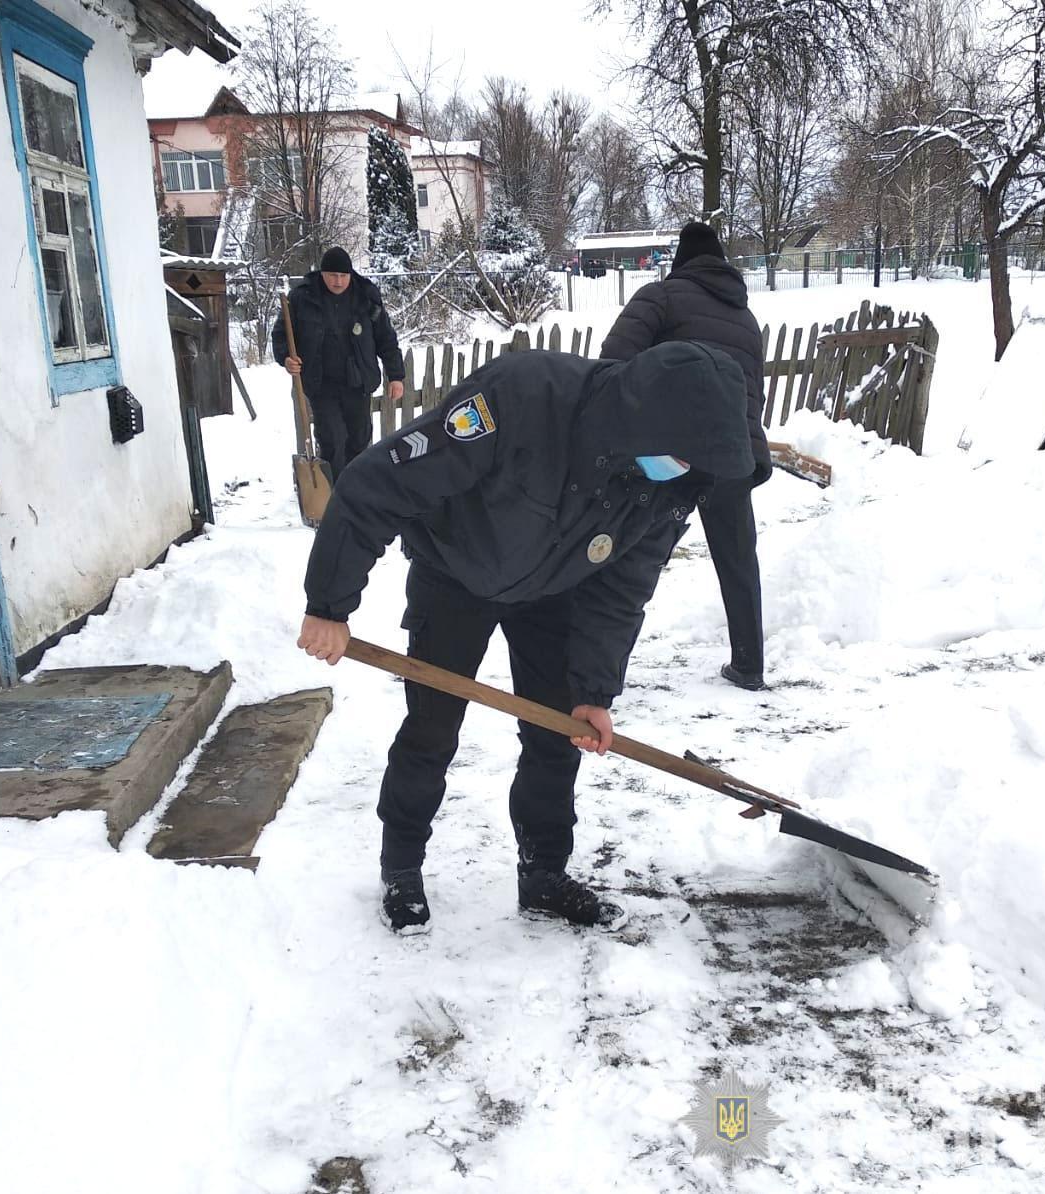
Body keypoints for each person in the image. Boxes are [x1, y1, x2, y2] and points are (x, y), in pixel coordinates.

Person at [296, 342, 752, 934]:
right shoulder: (522, 395)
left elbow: (621, 591)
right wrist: (329, 603)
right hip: (455, 571)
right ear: (645, 421)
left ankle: (544, 873)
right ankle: (402, 866)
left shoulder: (664, 485)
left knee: (558, 734)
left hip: (555, 587)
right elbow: (378, 484)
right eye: (681, 456)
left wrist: (594, 688)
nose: (685, 470)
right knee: (432, 727)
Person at [600, 221, 773, 691]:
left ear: (681, 260)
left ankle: (598, 679)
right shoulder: (746, 318)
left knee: (626, 560)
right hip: (731, 453)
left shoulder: (661, 297)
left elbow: (613, 364)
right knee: (738, 560)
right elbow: (752, 395)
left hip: (668, 453)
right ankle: (749, 664)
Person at [271, 247, 406, 479]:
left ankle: (356, 491)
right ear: (322, 273)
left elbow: (385, 337)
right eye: (333, 275)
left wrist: (395, 376)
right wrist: (286, 358)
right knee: (332, 439)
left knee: (359, 439)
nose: (338, 281)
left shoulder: (365, 296)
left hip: (357, 382)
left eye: (343, 276)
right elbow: (281, 334)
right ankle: (333, 495)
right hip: (321, 382)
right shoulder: (302, 297)